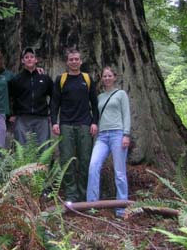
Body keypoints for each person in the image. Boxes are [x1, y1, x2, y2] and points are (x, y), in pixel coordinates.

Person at [50, 48, 99, 202]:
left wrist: (94, 122)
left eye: (76, 59)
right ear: (67, 62)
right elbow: (54, 103)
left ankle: (83, 193)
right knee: (66, 160)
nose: (74, 62)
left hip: (85, 124)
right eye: (71, 59)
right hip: (66, 124)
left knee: (85, 159)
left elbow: (94, 103)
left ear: (80, 61)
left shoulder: (87, 78)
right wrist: (54, 122)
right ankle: (71, 194)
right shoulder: (61, 79)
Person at [86, 66, 131, 217]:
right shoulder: (99, 97)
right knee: (93, 166)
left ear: (114, 77)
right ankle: (92, 205)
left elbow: (126, 114)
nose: (106, 78)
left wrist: (126, 134)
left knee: (119, 172)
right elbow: (96, 116)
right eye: (104, 76)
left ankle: (121, 208)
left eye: (109, 75)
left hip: (118, 134)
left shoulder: (121, 94)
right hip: (102, 136)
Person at [9, 47, 54, 145]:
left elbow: (54, 96)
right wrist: (12, 114)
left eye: (32, 57)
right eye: (26, 57)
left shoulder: (45, 78)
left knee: (43, 148)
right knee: (22, 149)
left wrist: (51, 113)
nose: (29, 59)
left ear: (36, 60)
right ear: (22, 61)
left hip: (41, 118)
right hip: (22, 118)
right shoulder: (16, 79)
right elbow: (10, 97)